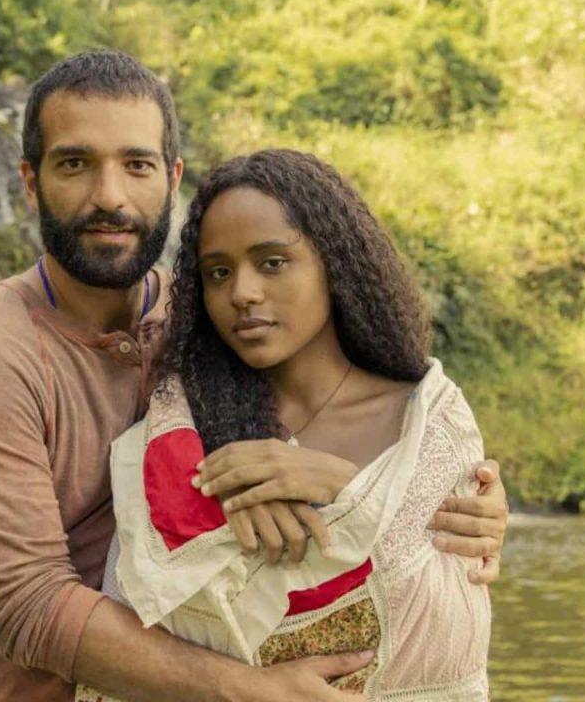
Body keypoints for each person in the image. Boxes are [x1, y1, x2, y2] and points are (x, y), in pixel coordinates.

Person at [0, 50, 508, 702]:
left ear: (172, 180)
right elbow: (27, 604)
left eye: (137, 165)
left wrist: (446, 502)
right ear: (30, 181)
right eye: (75, 163)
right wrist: (252, 692)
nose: (109, 196)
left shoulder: (213, 320)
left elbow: (350, 451)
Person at [80, 149, 492, 702]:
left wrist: (343, 485)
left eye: (272, 262)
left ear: (334, 263)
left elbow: (452, 595)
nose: (242, 293)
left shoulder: (429, 418)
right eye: (218, 273)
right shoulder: (182, 429)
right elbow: (136, 613)